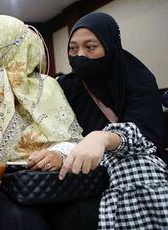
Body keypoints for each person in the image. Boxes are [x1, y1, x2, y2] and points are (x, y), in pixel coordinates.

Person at [0, 15, 99, 230]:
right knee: (19, 220)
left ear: (5, 47)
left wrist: (57, 154)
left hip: (50, 177)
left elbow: (71, 138)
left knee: (84, 213)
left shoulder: (46, 86)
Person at [57, 12, 168, 228]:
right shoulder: (66, 87)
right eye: (73, 48)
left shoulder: (138, 78)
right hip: (85, 173)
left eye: (90, 47)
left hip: (137, 171)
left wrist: (105, 138)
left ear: (110, 46)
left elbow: (148, 134)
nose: (79, 55)